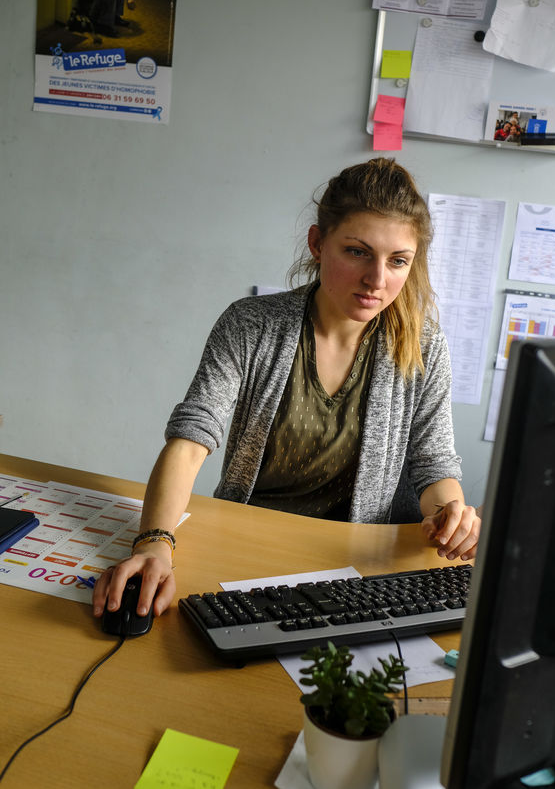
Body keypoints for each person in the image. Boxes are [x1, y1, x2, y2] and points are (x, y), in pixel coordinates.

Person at [93, 158, 481, 622]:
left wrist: (449, 513)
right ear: (318, 243)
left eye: (398, 261)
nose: (377, 280)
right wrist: (154, 543)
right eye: (357, 252)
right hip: (248, 541)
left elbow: (433, 464)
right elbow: (192, 439)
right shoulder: (250, 324)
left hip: (357, 558)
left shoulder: (423, 345)